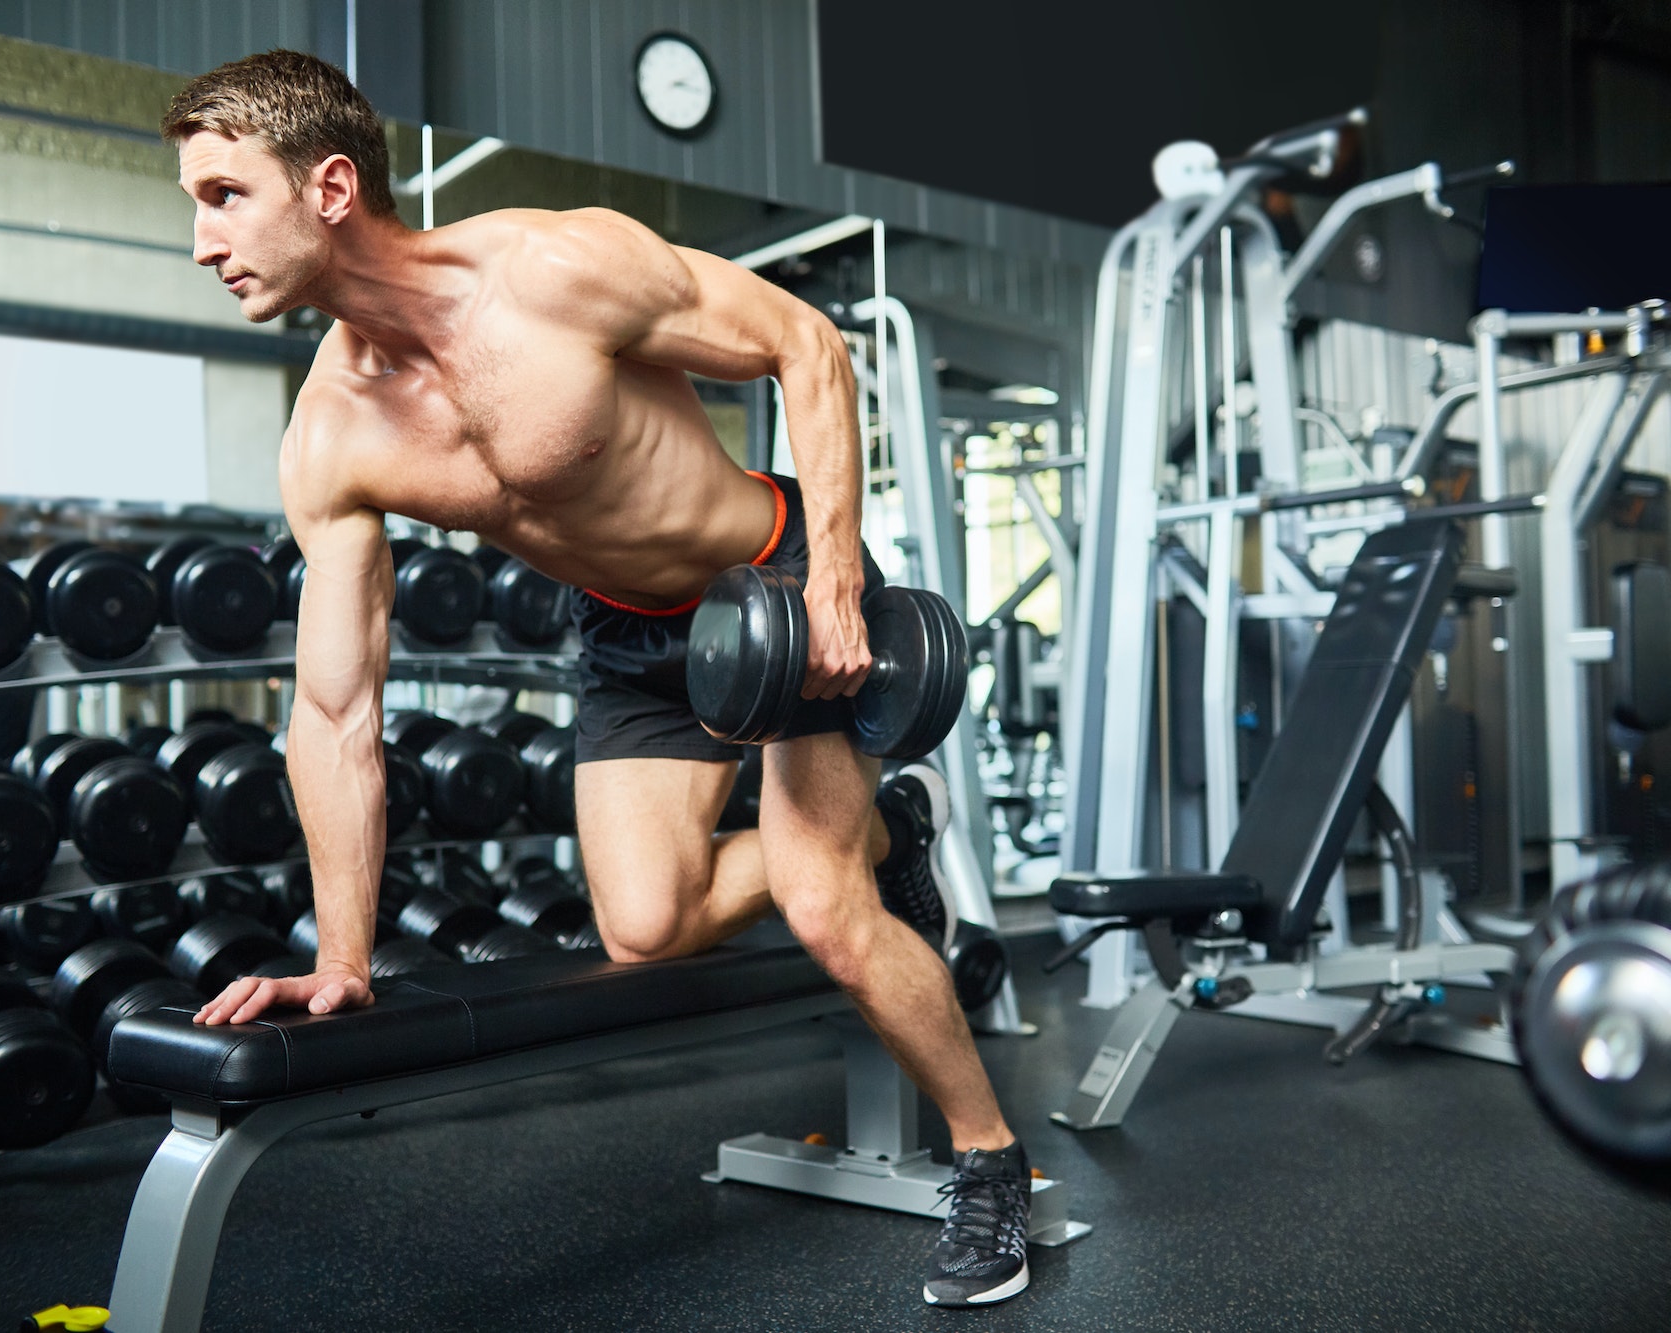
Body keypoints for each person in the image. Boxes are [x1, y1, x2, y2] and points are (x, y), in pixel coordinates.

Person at [166, 51, 1034, 1307]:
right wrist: (342, 953)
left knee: (823, 909)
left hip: (772, 582)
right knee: (643, 928)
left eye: (222, 196)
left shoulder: (549, 273)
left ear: (333, 185)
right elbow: (335, 709)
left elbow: (806, 344)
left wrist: (836, 579)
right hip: (629, 632)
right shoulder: (331, 438)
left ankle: (986, 1158)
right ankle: (897, 821)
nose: (202, 240)